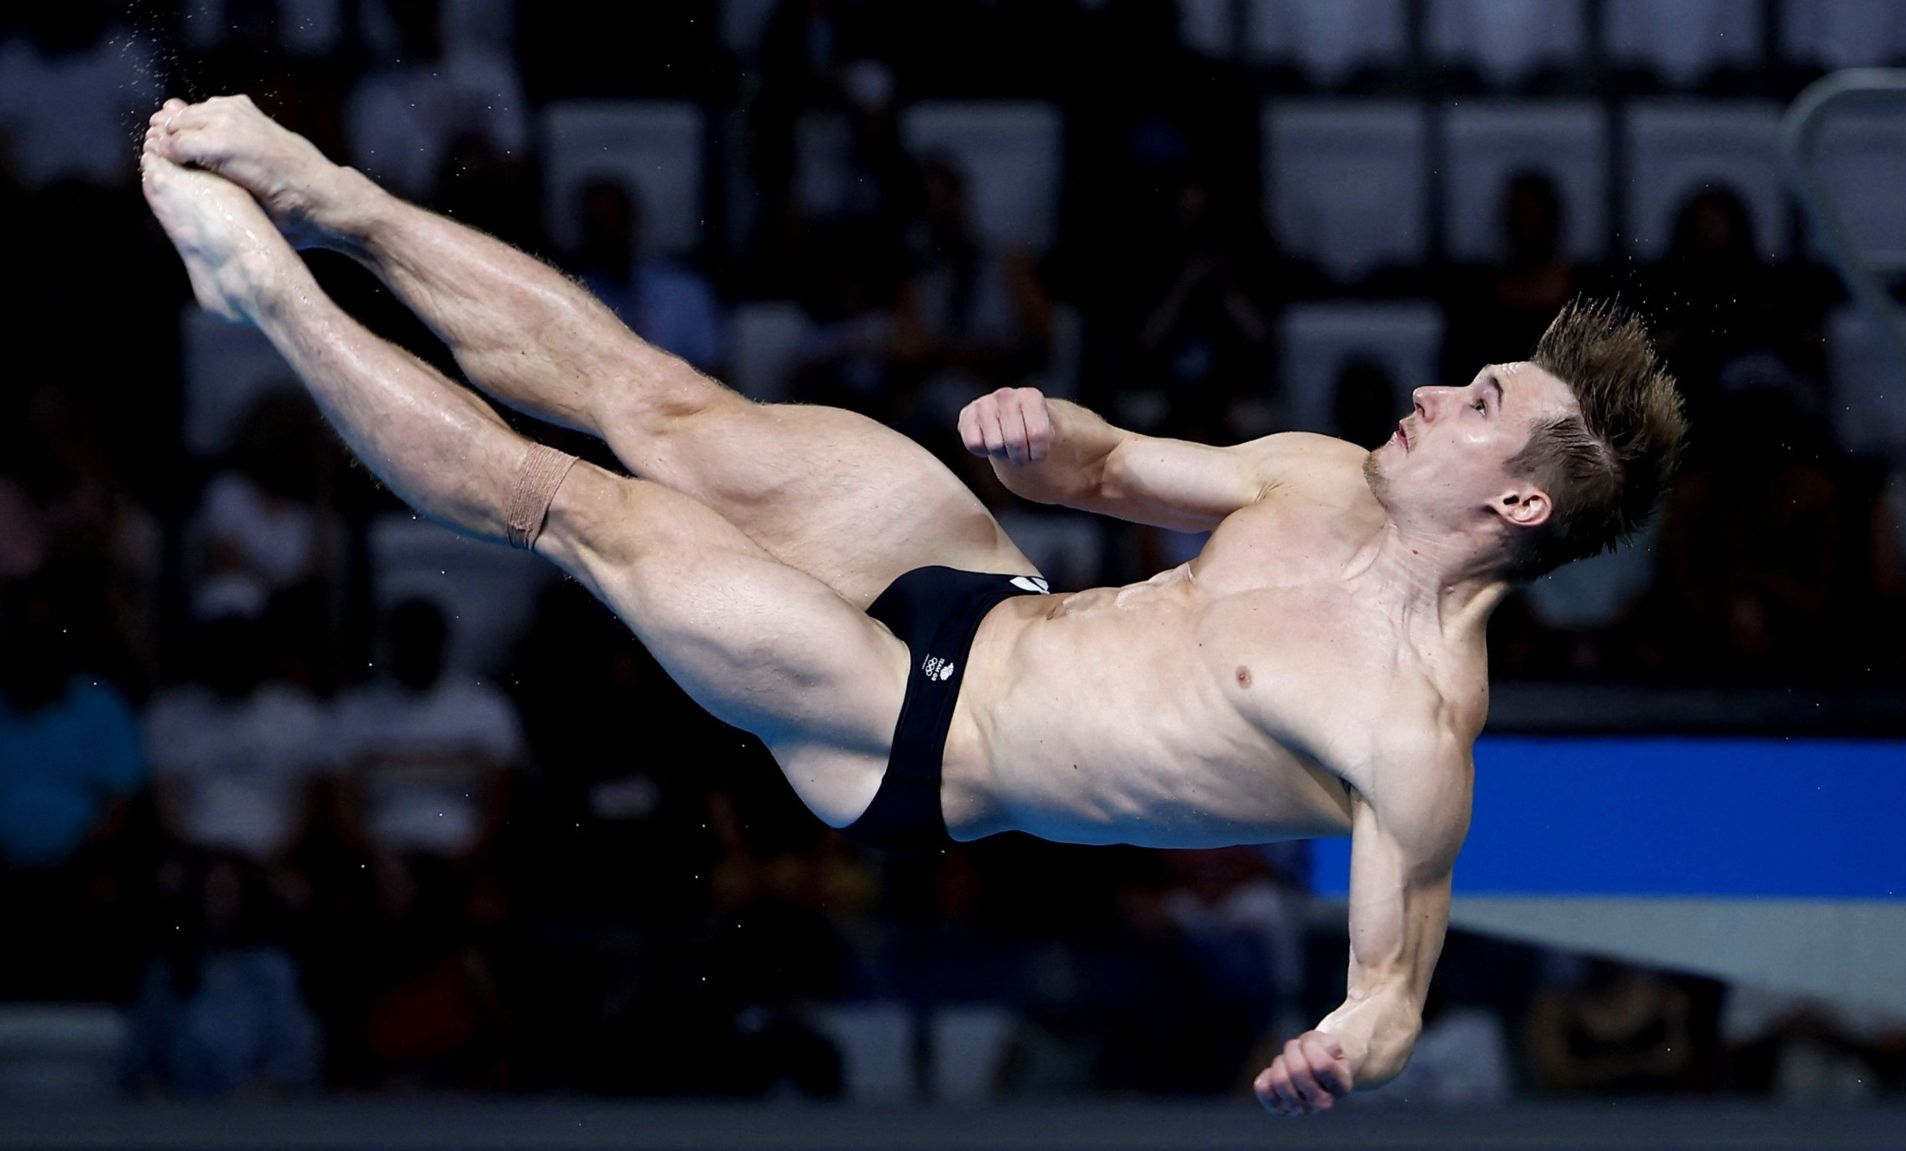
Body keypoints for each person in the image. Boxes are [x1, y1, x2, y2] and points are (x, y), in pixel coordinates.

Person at [140, 95, 1687, 1115]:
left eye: (1480, 400)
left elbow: (1393, 991)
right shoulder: (1317, 471)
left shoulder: (1404, 723)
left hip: (907, 734)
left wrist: (1345, 1047)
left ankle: (268, 290)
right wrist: (1047, 433)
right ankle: (333, 195)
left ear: (1522, 503)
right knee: (667, 407)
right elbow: (1109, 472)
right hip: (977, 585)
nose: (1433, 390)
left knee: (581, 506)